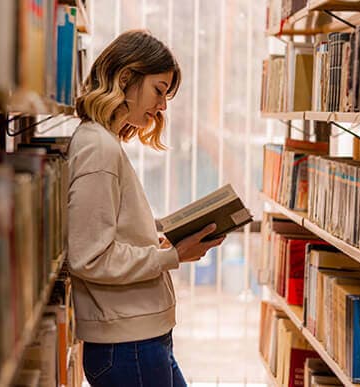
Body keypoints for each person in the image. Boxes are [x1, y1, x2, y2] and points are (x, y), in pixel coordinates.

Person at [67, 30, 225, 387]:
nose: (163, 106)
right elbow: (90, 257)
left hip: (140, 339)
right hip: (128, 344)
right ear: (126, 79)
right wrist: (172, 256)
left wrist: (158, 233)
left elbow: (109, 227)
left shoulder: (103, 142)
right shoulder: (98, 149)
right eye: (159, 89)